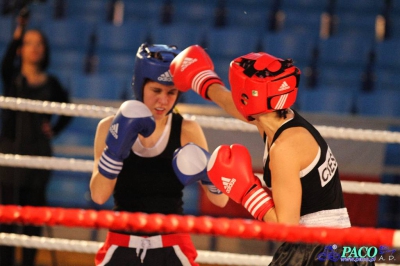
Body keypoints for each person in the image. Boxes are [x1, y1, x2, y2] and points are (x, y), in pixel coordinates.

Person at [169, 45, 375, 265]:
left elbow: (286, 229)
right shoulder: (274, 118)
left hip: (319, 250)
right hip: (336, 247)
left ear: (248, 96)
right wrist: (202, 78)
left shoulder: (284, 148)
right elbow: (234, 103)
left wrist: (247, 192)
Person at [90, 43, 228, 266]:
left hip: (172, 245)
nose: (163, 100)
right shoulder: (109, 127)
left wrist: (208, 174)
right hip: (122, 242)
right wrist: (113, 154)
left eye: (171, 92)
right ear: (140, 85)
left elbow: (220, 200)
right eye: (156, 90)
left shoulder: (187, 130)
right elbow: (98, 196)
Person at [0, 8, 72, 266]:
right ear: (21, 48)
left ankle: (28, 262)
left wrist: (53, 130)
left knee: (32, 218)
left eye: (39, 43)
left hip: (39, 156)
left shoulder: (51, 82)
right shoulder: (13, 78)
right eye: (29, 43)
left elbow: (68, 111)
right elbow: (6, 63)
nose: (35, 48)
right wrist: (19, 29)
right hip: (9, 155)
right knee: (7, 219)